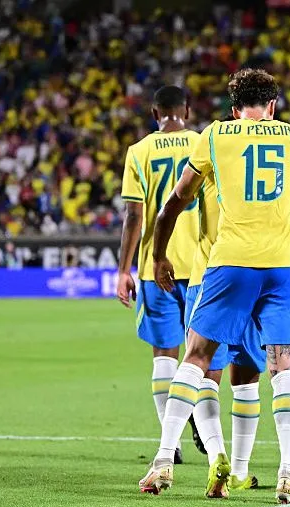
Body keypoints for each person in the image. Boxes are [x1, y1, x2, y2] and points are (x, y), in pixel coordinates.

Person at [138, 69, 290, 504]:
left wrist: (158, 254)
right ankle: (288, 472)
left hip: (231, 261)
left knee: (196, 356)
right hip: (284, 264)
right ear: (272, 106)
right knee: (284, 365)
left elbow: (176, 201)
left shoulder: (214, 135)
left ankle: (164, 460)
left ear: (234, 109)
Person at [116, 85, 200, 465]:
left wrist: (123, 269)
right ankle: (200, 420)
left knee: (164, 355)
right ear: (187, 111)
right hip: (201, 264)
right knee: (201, 354)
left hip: (156, 265)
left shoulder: (139, 151)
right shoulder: (203, 143)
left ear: (155, 114)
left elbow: (134, 214)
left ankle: (172, 442)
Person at [181, 128, 263, 497]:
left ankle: (216, 456)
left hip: (209, 275)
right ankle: (240, 470)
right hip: (256, 274)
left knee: (203, 371)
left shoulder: (211, 154)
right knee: (246, 378)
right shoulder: (271, 158)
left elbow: (178, 200)